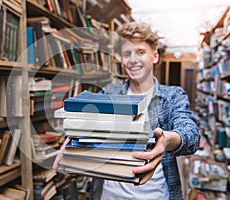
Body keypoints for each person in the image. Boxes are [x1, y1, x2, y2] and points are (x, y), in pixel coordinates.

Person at [53, 21, 200, 200]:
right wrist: (74, 150)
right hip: (108, 195)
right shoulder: (109, 93)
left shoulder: (173, 96)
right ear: (121, 61)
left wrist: (168, 140)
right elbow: (85, 129)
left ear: (154, 57)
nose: (133, 60)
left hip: (155, 195)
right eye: (127, 54)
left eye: (140, 52)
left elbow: (191, 134)